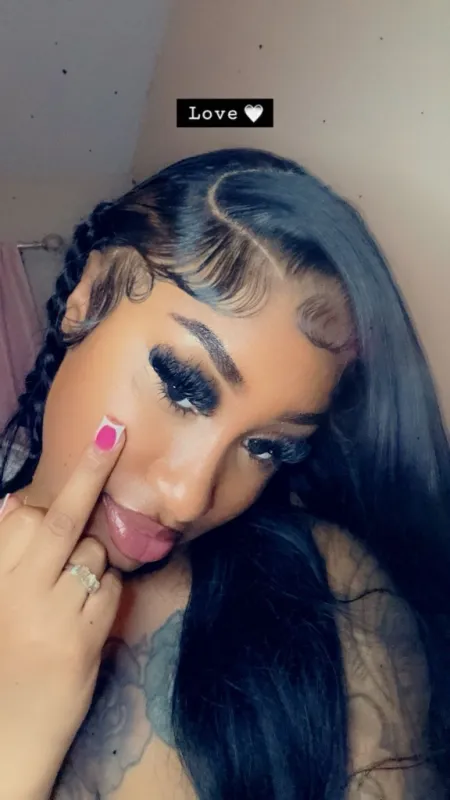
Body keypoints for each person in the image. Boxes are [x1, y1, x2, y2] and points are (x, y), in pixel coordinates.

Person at [0, 147, 449, 800]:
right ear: (87, 297)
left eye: (267, 446)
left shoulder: (325, 598)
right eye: (183, 387)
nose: (189, 497)